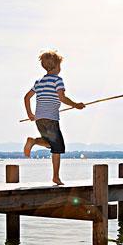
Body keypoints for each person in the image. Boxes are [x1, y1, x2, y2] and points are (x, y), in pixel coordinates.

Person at [23, 50, 85, 185]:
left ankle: (33, 141)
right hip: (51, 119)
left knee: (50, 144)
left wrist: (30, 113)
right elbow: (62, 98)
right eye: (60, 66)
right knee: (57, 148)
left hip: (39, 119)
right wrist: (75, 105)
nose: (60, 69)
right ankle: (56, 177)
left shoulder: (39, 82)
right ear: (56, 66)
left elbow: (27, 97)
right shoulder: (58, 80)